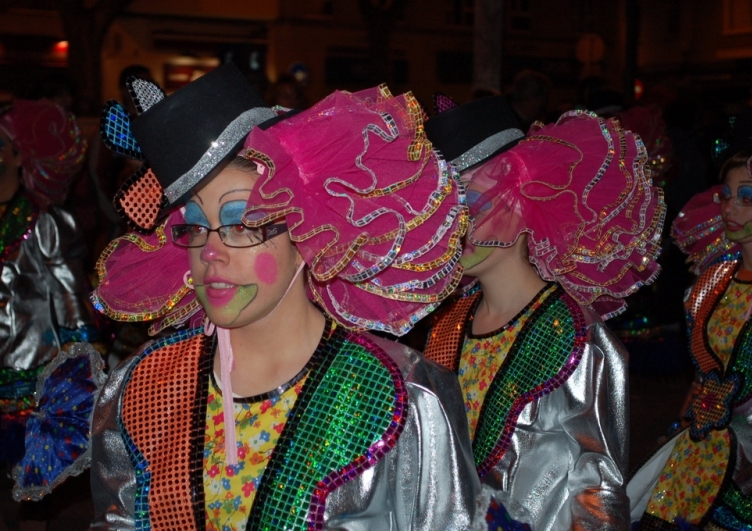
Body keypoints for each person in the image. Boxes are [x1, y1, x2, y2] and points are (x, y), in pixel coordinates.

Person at [89, 64, 480, 530]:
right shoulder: (142, 388)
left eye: (241, 225)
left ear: (306, 229)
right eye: (194, 227)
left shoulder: (405, 395)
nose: (210, 252)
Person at [424, 101, 666, 530]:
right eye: (442, 210)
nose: (452, 228)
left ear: (524, 200)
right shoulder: (447, 326)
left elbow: (598, 488)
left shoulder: (577, 337)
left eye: (471, 206)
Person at [628, 109, 752, 530]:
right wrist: (680, 432)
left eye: (749, 198)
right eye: (726, 194)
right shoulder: (710, 283)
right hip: (701, 459)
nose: (730, 207)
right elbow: (703, 377)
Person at [0, 100, 97, 529]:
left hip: (32, 367)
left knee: (32, 477)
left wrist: (83, 356)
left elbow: (70, 293)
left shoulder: (45, 222)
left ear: (19, 155)